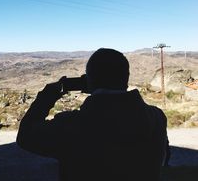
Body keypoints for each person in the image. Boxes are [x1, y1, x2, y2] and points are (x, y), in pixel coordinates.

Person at [16, 48, 168, 181]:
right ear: (126, 78)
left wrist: (46, 97)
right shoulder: (157, 118)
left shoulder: (70, 125)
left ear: (89, 81)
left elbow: (25, 136)